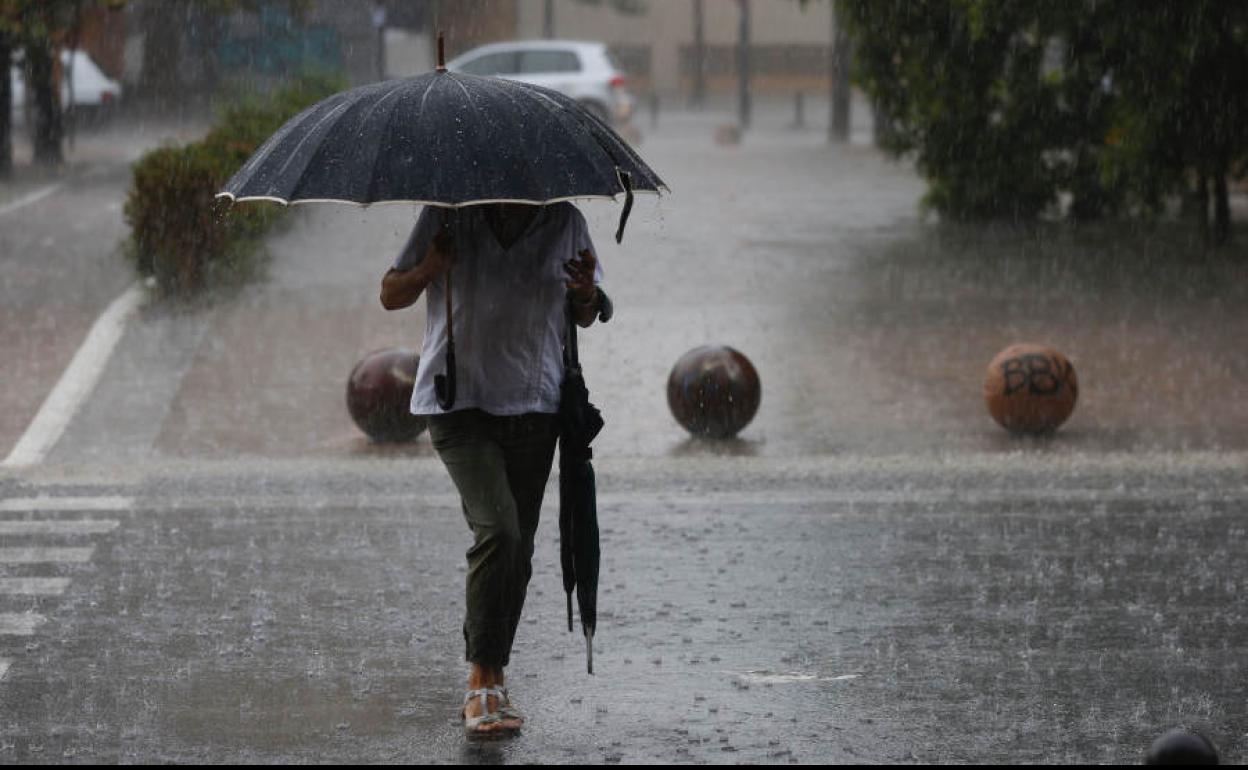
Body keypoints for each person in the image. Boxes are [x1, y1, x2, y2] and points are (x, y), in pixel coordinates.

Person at [379, 202, 607, 737]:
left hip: (535, 403)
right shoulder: (446, 213)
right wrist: (429, 269)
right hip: (459, 405)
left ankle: (494, 677)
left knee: (518, 553)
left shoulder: (564, 220)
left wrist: (585, 294)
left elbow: (586, 311)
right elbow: (391, 293)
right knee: (499, 531)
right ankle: (480, 679)